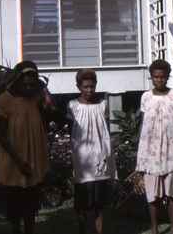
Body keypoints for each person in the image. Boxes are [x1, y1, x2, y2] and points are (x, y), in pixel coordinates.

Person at [0, 60, 58, 234]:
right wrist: (18, 161)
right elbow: (0, 134)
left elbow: (52, 107)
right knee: (15, 214)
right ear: (17, 81)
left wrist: (42, 86)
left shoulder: (35, 98)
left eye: (33, 85)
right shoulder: (6, 99)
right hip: (14, 163)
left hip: (31, 161)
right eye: (26, 84)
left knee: (30, 211)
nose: (29, 89)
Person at [136, 59, 173, 234]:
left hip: (171, 150)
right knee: (152, 194)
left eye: (163, 77)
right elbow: (143, 124)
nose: (159, 80)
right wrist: (141, 153)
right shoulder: (146, 97)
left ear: (167, 77)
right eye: (156, 77)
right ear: (151, 77)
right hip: (149, 152)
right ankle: (154, 228)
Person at [66, 69, 117, 234]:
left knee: (99, 203)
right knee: (82, 205)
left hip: (99, 158)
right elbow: (70, 132)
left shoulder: (102, 104)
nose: (89, 90)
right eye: (86, 87)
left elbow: (103, 130)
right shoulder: (73, 106)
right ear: (79, 87)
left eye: (92, 86)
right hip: (83, 161)